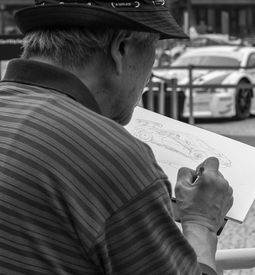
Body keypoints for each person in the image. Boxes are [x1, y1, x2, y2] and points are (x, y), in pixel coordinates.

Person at [0, 1, 233, 275]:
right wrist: (200, 222)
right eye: (154, 49)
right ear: (121, 49)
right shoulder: (112, 156)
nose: (149, 77)